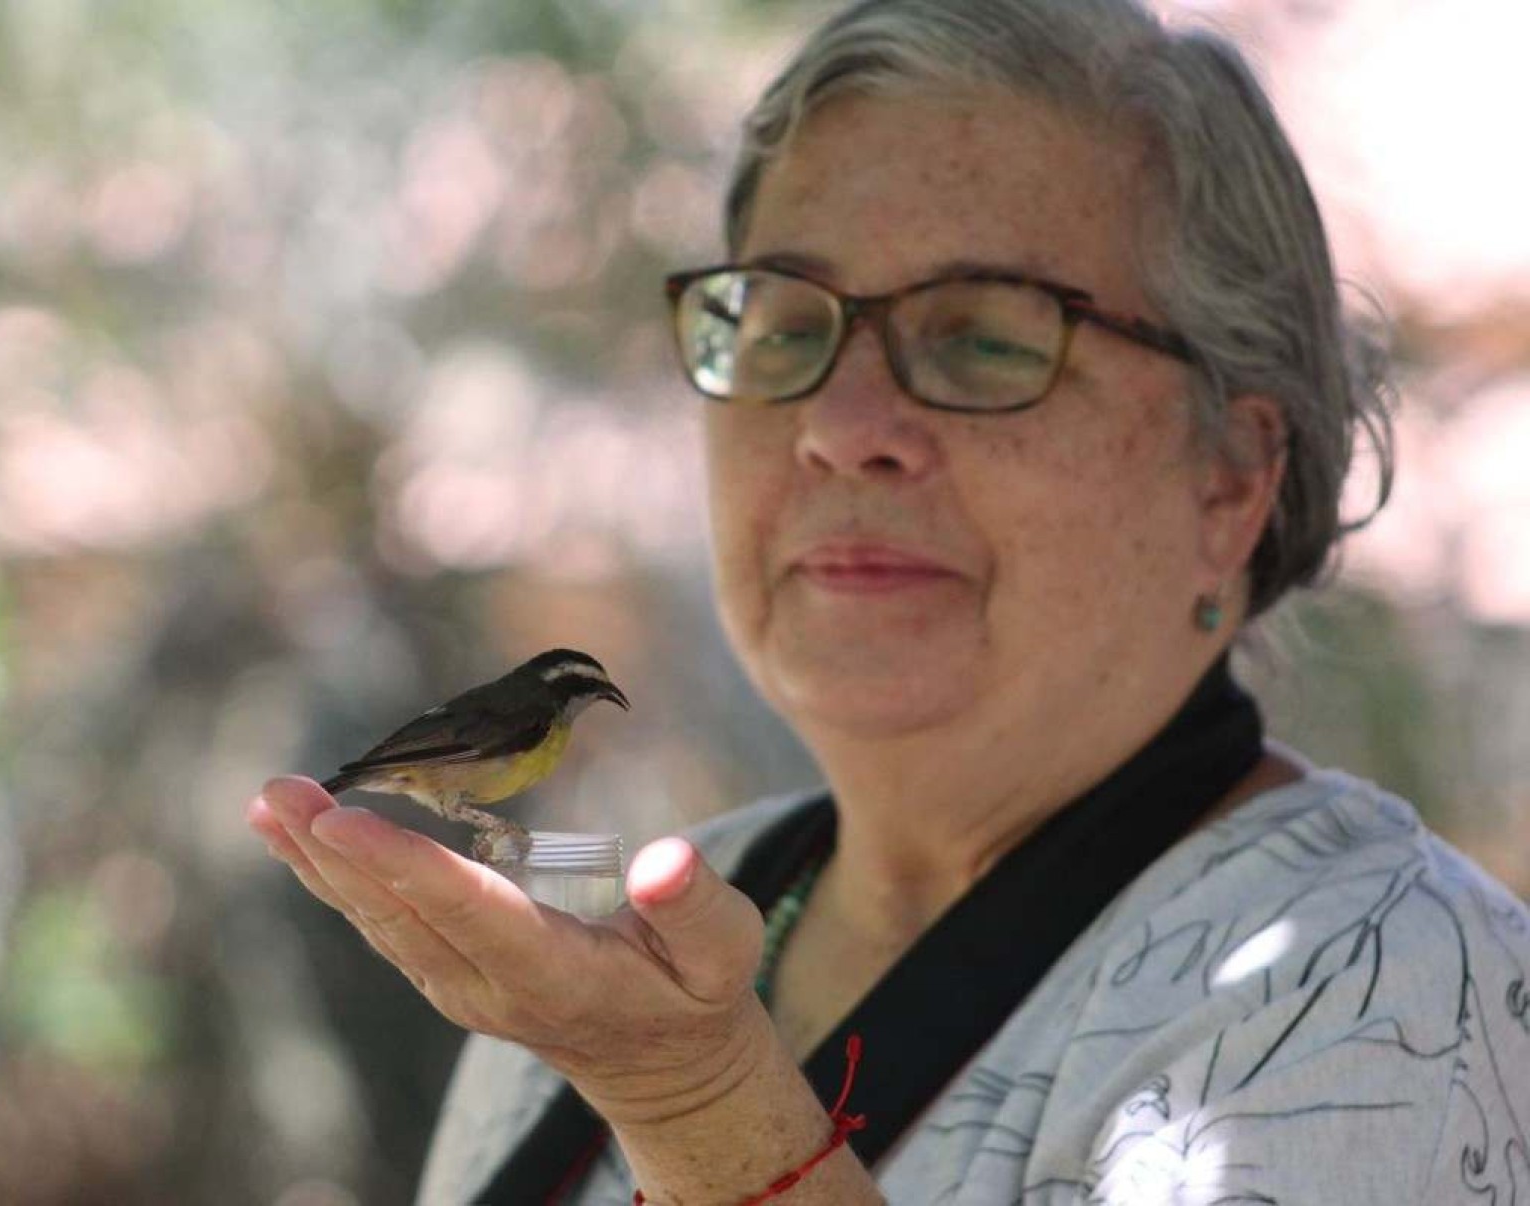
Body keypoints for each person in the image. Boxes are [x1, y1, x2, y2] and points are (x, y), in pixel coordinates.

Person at [246, 0, 1530, 1201]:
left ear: (1233, 477)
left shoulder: (1373, 978)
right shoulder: (598, 935)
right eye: (786, 330)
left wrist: (700, 1110)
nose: (842, 427)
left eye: (987, 336)